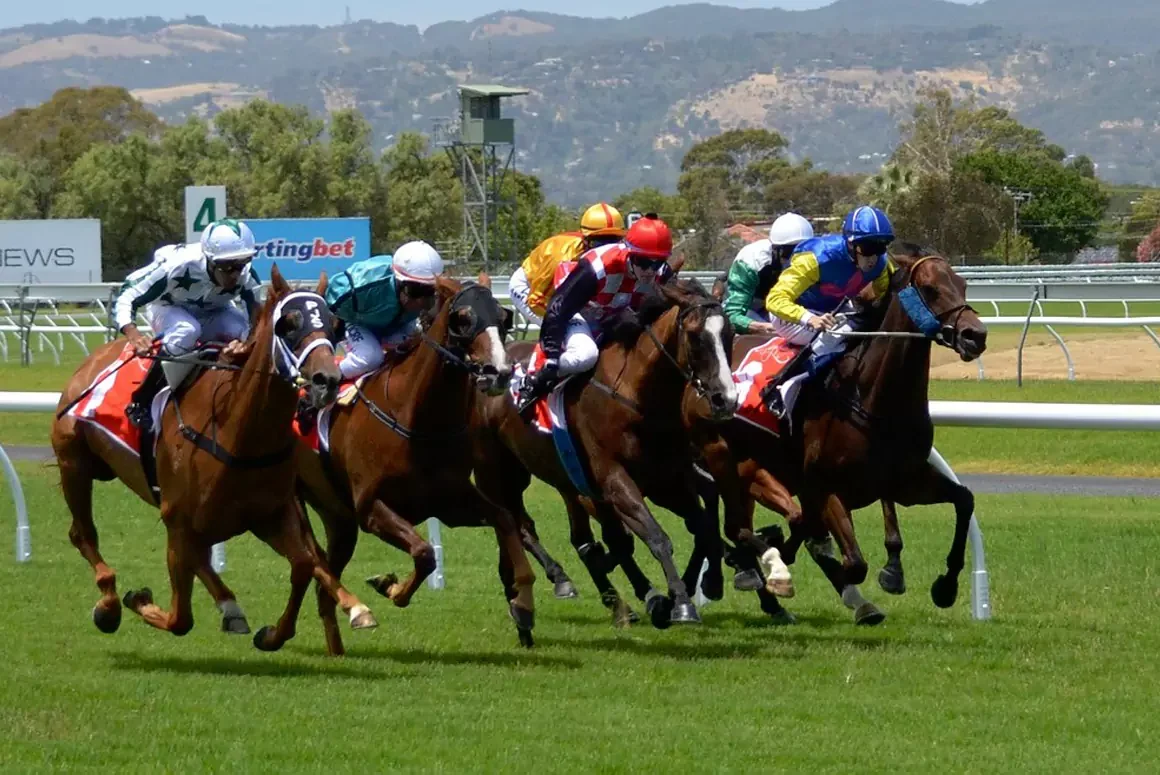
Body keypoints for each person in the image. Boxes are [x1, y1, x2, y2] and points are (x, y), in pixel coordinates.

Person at [517, 214, 673, 410]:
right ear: (629, 253)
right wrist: (552, 356)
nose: (650, 271)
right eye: (643, 262)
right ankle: (534, 380)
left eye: (657, 263)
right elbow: (559, 307)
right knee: (586, 355)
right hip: (578, 311)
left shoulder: (662, 272)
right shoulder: (597, 266)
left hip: (614, 312)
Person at [116, 218, 262, 427]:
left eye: (243, 263)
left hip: (214, 310)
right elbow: (128, 294)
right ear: (210, 260)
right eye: (228, 266)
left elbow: (256, 321)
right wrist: (133, 334)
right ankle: (142, 400)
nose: (236, 274)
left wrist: (246, 342)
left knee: (241, 331)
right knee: (187, 330)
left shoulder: (247, 275)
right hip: (168, 307)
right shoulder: (177, 265)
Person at [761, 205, 895, 418]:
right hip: (789, 315)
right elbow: (775, 300)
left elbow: (888, 295)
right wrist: (809, 319)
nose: (873, 257)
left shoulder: (880, 264)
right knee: (843, 332)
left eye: (881, 248)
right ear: (851, 244)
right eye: (868, 248)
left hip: (831, 311)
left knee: (867, 324)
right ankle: (783, 386)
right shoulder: (816, 258)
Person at [324, 240, 444, 380]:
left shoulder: (435, 297)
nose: (420, 301)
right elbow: (330, 300)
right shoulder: (364, 286)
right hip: (361, 325)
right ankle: (328, 380)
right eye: (415, 291)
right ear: (398, 281)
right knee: (371, 358)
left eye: (429, 292)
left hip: (400, 325)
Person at [508, 203, 627, 326]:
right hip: (532, 288)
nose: (606, 249)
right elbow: (537, 301)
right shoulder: (561, 258)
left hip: (557, 289)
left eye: (614, 241)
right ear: (585, 240)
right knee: (568, 327)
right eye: (599, 242)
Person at [722, 213, 814, 336]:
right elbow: (732, 315)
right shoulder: (751, 260)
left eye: (803, 251)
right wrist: (763, 327)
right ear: (775, 249)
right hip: (752, 310)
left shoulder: (818, 258)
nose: (795, 257)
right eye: (789, 252)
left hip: (787, 310)